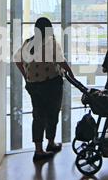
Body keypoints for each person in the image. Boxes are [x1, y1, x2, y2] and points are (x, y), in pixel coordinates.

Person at [14, 17, 74, 162]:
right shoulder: (50, 42)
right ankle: (51, 143)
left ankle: (38, 150)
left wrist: (26, 76)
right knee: (52, 114)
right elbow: (60, 60)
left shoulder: (28, 43)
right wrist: (71, 73)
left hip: (33, 85)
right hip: (51, 83)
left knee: (38, 116)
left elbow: (17, 60)